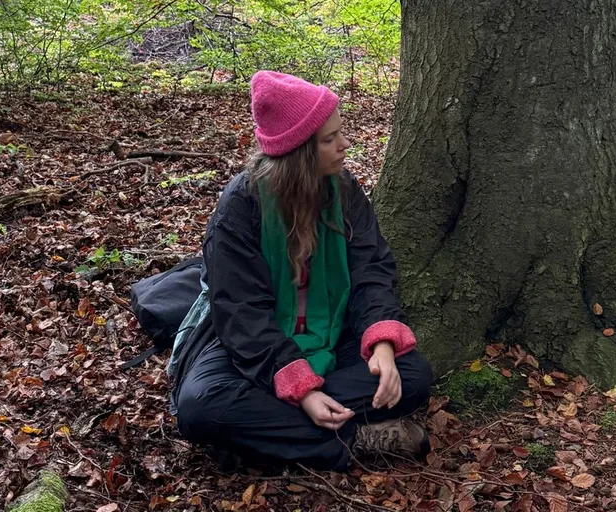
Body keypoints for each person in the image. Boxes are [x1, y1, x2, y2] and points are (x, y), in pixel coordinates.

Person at [173, 71, 434, 471]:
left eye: (340, 133)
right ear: (299, 153)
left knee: (412, 375)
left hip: (334, 332)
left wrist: (382, 343)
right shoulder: (241, 205)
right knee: (200, 407)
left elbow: (371, 270)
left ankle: (264, 437)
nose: (345, 145)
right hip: (259, 347)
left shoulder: (343, 191)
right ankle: (355, 440)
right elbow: (241, 312)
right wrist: (302, 391)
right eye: (329, 139)